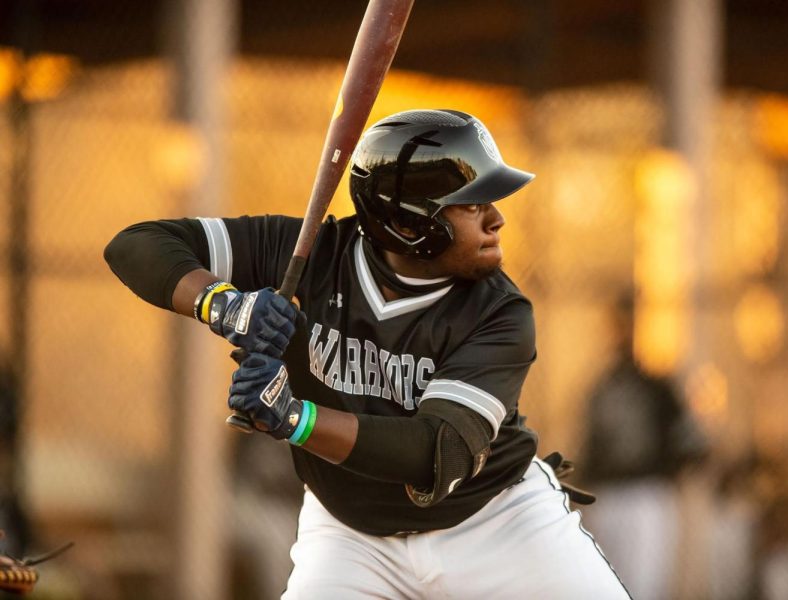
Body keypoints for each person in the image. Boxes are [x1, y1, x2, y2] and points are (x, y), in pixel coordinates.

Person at [105, 109, 630, 598]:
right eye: (473, 203)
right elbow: (136, 244)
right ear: (409, 222)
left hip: (494, 520)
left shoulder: (500, 312)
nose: (496, 220)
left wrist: (294, 418)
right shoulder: (309, 252)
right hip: (350, 534)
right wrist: (227, 306)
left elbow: (434, 450)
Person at [579, 294, 708, 600]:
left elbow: (692, 447)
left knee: (644, 587)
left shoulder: (659, 387)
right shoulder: (601, 388)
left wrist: (668, 474)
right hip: (607, 496)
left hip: (648, 496)